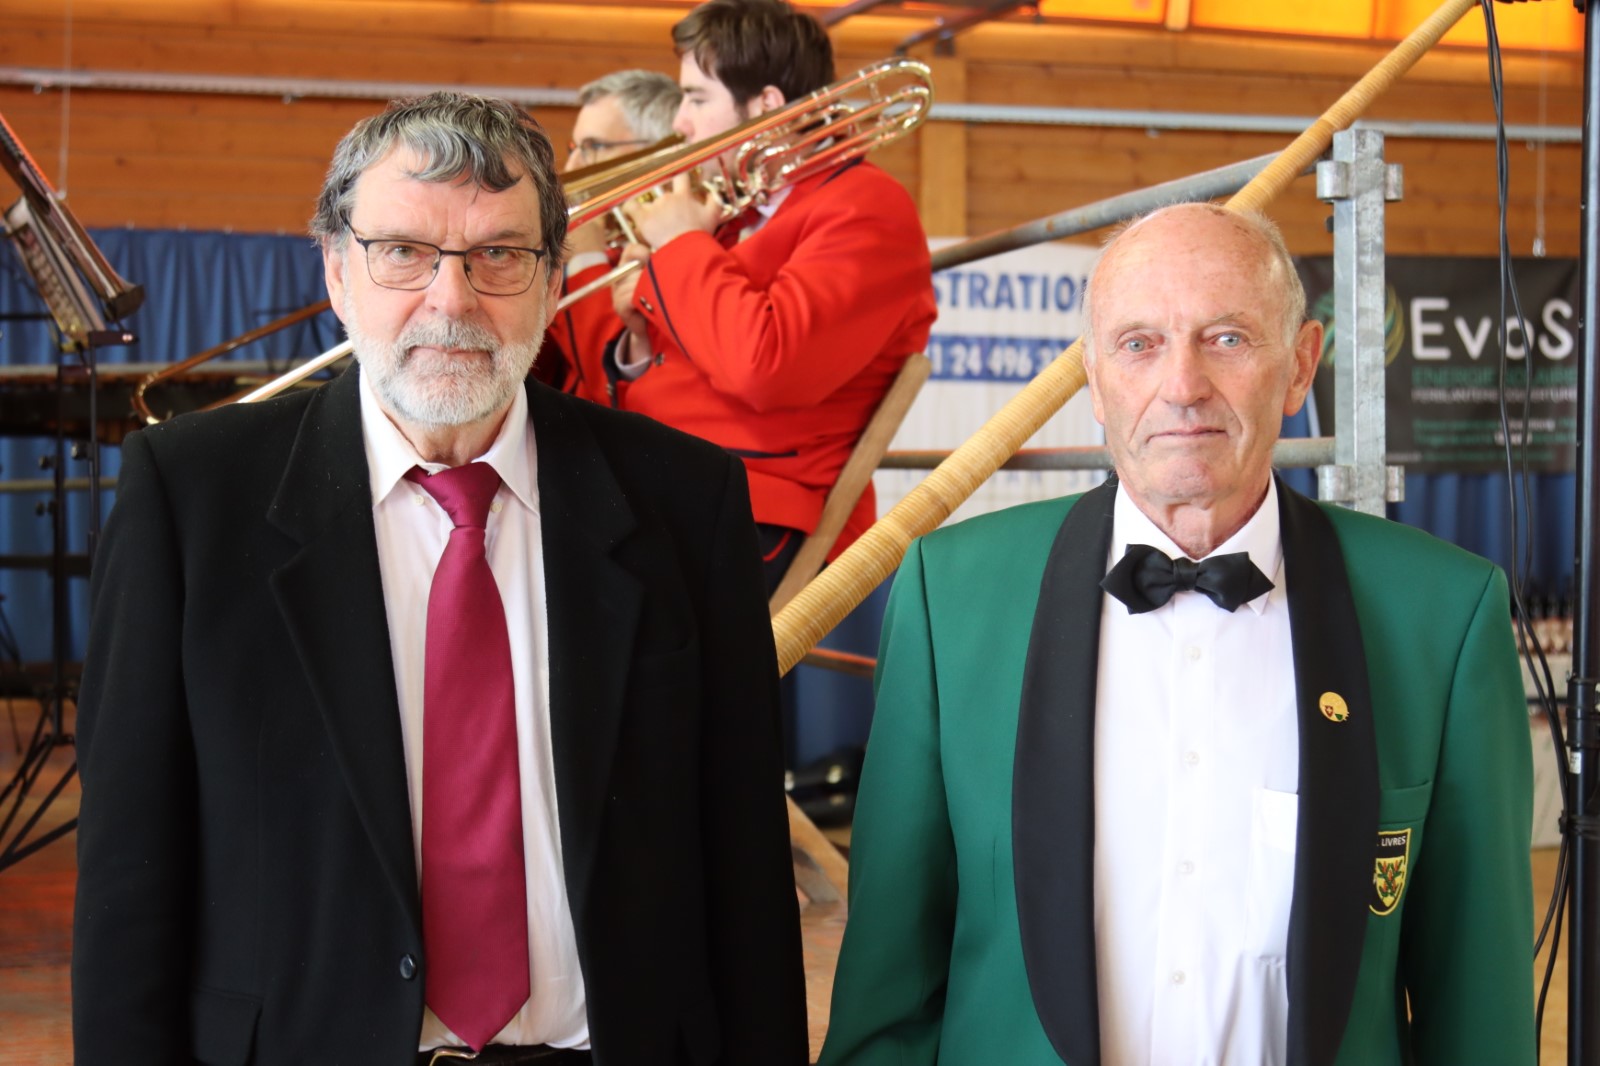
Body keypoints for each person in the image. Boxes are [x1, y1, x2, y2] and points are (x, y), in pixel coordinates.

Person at [71, 90, 807, 1066]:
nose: (452, 300)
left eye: (498, 254)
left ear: (553, 280)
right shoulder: (192, 499)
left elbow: (746, 863)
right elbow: (128, 875)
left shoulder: (685, 500)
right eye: (403, 252)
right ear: (337, 270)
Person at [819, 203, 1535, 1065]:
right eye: (1140, 344)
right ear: (1094, 379)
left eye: (1227, 338)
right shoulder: (952, 596)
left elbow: (1480, 1008)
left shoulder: (1442, 614)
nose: (1183, 385)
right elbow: (887, 994)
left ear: (1301, 366)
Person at [608, 0, 937, 592]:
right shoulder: (732, 213)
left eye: (697, 99)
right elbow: (676, 357)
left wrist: (680, 243)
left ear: (765, 105)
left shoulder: (867, 207)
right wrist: (636, 335)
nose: (680, 123)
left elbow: (765, 367)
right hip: (666, 487)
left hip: (754, 510)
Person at [542, 69, 681, 405]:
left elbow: (609, 386)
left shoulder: (673, 249)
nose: (572, 167)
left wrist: (586, 259)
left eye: (593, 147)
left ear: (655, 151)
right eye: (575, 148)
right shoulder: (612, 236)